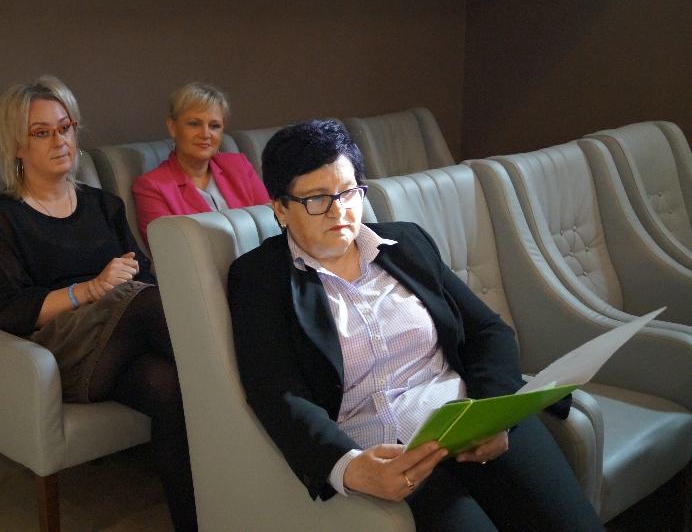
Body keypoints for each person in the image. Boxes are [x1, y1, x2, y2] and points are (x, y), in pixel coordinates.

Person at [227, 120, 603, 531]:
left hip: (468, 420)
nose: (339, 210)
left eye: (348, 192)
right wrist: (349, 466)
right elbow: (277, 391)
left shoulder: (406, 243)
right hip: (389, 459)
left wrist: (494, 414)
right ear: (280, 207)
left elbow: (488, 332)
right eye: (317, 198)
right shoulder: (259, 278)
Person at [0, 76, 197, 532]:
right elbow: (8, 311)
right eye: (42, 132)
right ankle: (254, 382)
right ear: (17, 146)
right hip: (63, 352)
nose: (60, 140)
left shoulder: (102, 205)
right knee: (148, 304)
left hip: (121, 342)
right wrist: (88, 290)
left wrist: (116, 287)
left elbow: (143, 272)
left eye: (66, 127)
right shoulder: (2, 219)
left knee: (171, 388)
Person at [132, 82, 269, 244]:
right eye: (195, 124)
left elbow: (271, 223)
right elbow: (170, 248)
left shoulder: (239, 166)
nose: (205, 134)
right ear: (172, 127)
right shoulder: (152, 187)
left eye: (214, 126)